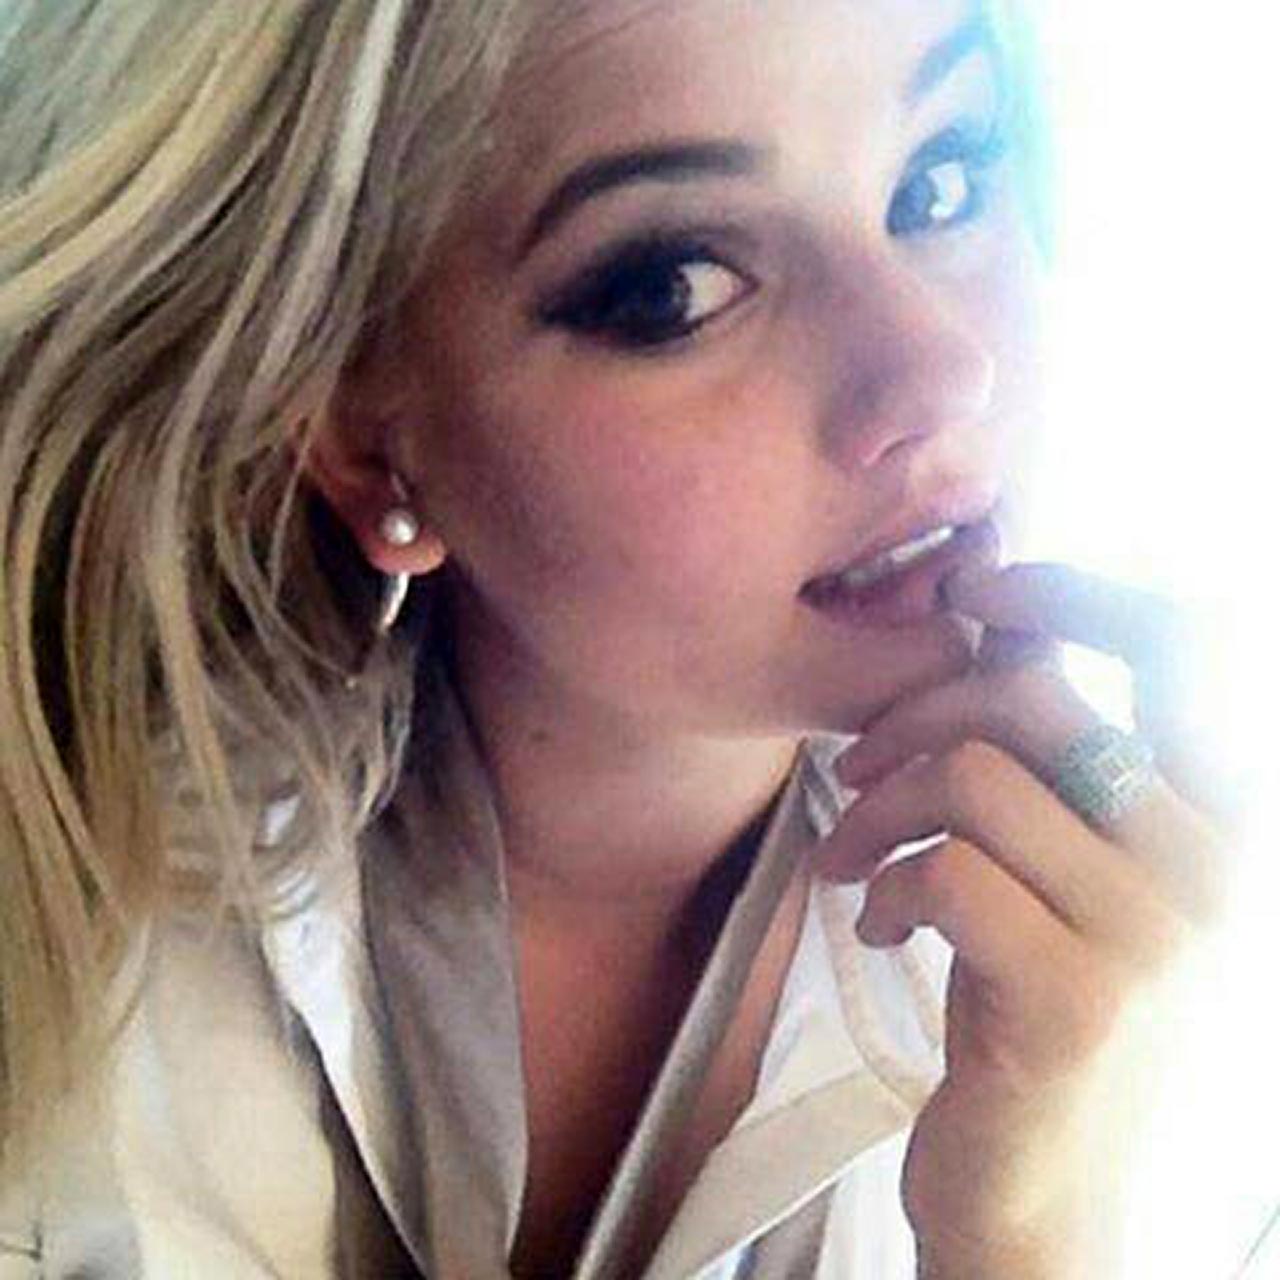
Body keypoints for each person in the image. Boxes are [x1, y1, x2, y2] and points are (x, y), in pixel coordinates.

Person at [0, 1, 1234, 1276]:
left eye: (939, 180)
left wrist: (1028, 1234)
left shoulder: (1119, 997)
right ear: (365, 441)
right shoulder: (78, 936)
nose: (939, 367)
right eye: (674, 286)